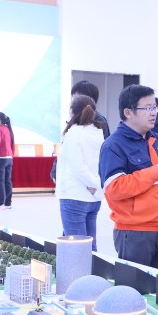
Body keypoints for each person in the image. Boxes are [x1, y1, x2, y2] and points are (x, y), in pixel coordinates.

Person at [99, 84, 158, 273]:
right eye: (147, 108)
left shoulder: (157, 140)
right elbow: (114, 189)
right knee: (135, 288)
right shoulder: (113, 145)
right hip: (135, 233)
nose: (154, 113)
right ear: (128, 112)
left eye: (155, 107)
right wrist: (154, 172)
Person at [55, 95, 105, 250]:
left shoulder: (73, 133)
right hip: (93, 197)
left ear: (72, 111)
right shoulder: (98, 132)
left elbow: (78, 168)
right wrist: (98, 186)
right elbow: (101, 164)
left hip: (74, 195)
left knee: (77, 249)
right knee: (90, 247)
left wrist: (94, 184)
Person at [52, 80, 111, 183]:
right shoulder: (75, 120)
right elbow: (65, 150)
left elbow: (105, 153)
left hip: (89, 178)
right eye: (73, 97)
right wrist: (55, 172)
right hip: (75, 178)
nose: (73, 102)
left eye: (76, 98)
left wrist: (97, 181)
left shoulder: (100, 122)